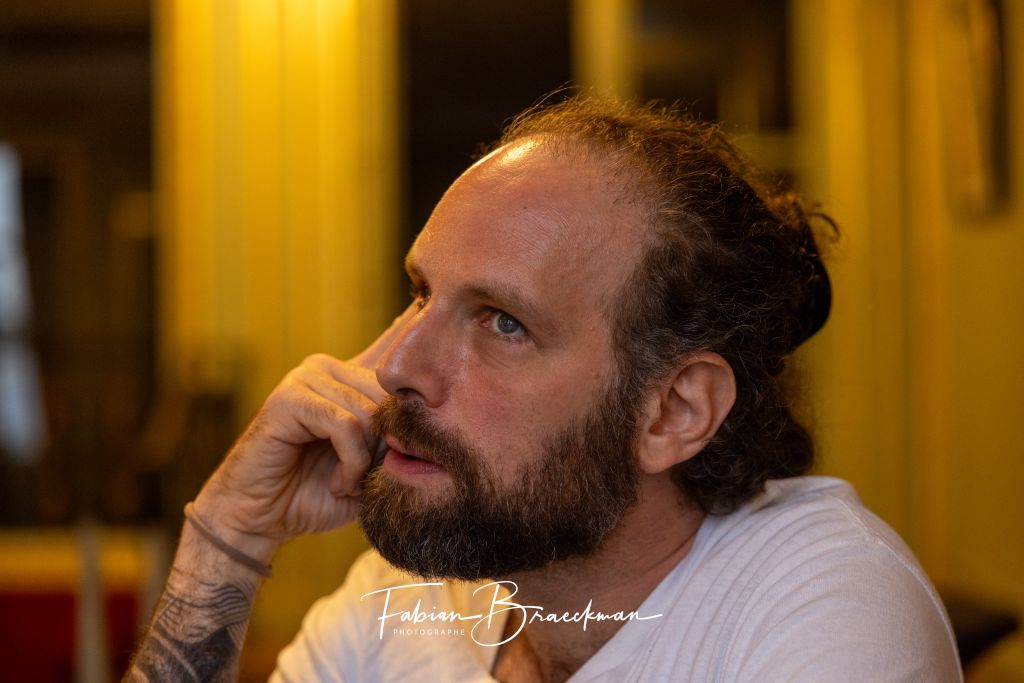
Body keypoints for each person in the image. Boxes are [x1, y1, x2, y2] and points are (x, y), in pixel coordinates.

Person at [125, 96, 961, 682]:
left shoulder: (824, 608)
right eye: (420, 293)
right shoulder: (408, 601)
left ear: (674, 411)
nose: (394, 366)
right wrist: (228, 534)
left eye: (503, 321)